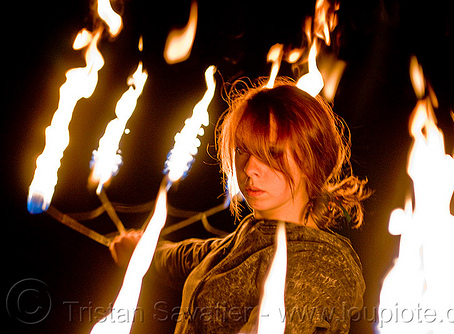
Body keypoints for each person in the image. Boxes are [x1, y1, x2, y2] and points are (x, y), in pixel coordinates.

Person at [110, 79, 371, 333]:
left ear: (313, 159)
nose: (249, 168)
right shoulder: (254, 235)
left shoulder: (316, 264)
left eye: (272, 153)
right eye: (242, 149)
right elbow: (199, 257)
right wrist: (143, 253)